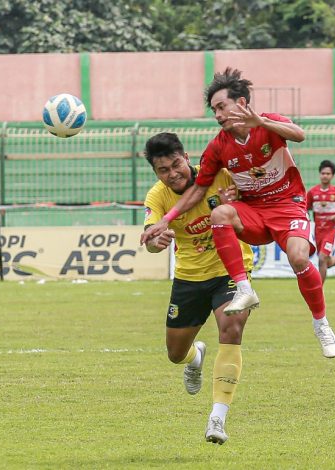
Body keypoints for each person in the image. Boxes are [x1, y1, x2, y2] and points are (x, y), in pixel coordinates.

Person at [141, 67, 335, 359]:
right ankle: (244, 289)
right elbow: (199, 188)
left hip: (287, 205)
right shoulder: (218, 147)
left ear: (242, 104)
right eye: (214, 110)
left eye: (222, 106)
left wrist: (261, 121)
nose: (219, 115)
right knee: (221, 213)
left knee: (299, 257)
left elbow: (299, 135)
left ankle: (321, 323)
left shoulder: (269, 123)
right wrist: (166, 220)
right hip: (254, 213)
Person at [143, 132, 253, 445]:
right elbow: (150, 235)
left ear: (186, 157)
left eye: (175, 164)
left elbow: (253, 210)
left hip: (231, 270)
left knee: (231, 328)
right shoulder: (157, 197)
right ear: (155, 173)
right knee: (175, 354)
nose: (172, 173)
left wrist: (239, 207)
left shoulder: (220, 177)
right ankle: (195, 357)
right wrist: (155, 241)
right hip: (190, 278)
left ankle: (217, 417)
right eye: (162, 170)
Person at [306, 159, 335, 282]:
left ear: (332, 176)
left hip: (331, 229)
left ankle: (318, 291)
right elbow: (306, 207)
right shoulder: (312, 192)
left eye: (328, 174)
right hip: (318, 229)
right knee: (325, 261)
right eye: (323, 173)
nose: (325, 176)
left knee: (322, 259)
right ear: (319, 174)